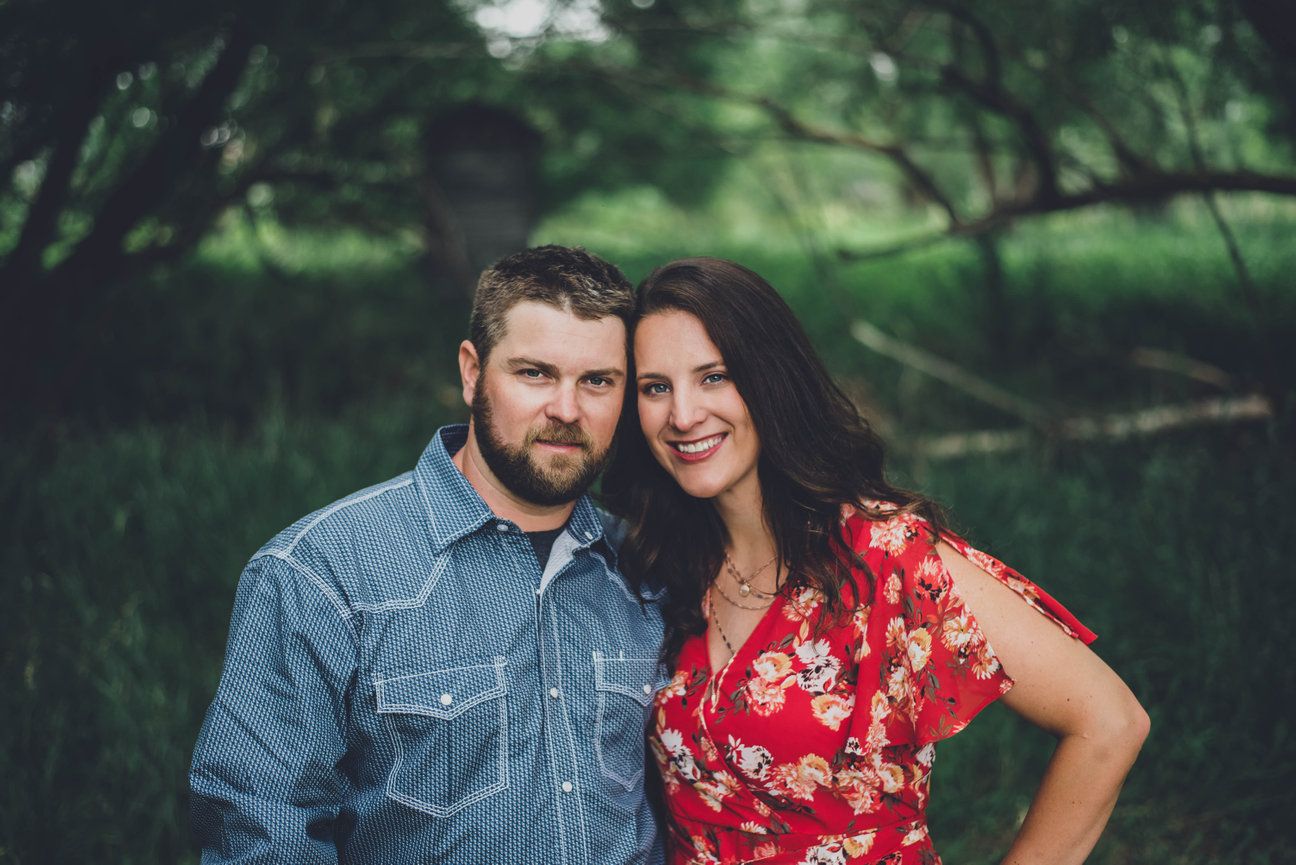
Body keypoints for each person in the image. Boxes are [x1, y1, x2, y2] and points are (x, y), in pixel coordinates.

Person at [602, 257, 1150, 865]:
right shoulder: (658, 558)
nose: (682, 415)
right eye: (656, 387)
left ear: (771, 380)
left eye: (715, 377)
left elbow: (1108, 722)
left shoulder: (884, 556)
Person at [190, 245, 667, 864]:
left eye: (597, 381)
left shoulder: (648, 568)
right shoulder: (320, 574)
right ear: (472, 373)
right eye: (534, 373)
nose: (566, 409)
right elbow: (261, 830)